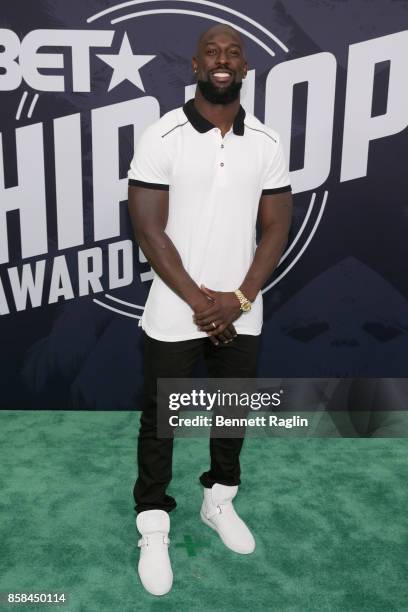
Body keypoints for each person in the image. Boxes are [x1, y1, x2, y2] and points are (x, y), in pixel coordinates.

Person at [127, 23, 293, 596]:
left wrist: (238, 299)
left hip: (242, 308)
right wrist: (204, 304)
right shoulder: (163, 134)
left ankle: (218, 501)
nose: (223, 60)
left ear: (245, 68)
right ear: (195, 66)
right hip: (176, 311)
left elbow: (275, 227)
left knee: (230, 415)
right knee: (161, 422)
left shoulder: (268, 142)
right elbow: (149, 230)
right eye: (212, 53)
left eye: (233, 53)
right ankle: (153, 522)